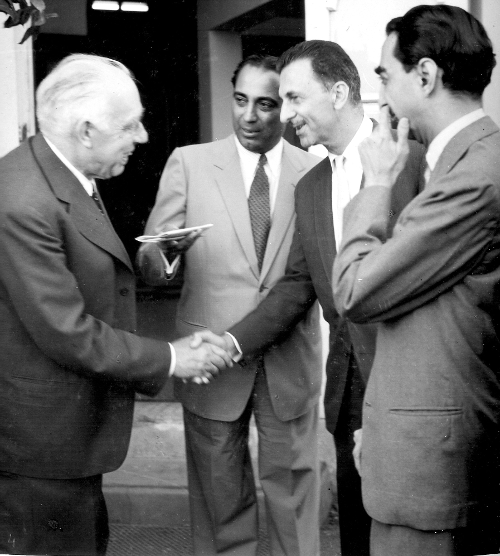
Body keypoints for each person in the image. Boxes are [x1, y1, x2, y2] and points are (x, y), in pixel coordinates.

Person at [0, 54, 232, 556]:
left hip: (66, 439)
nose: (144, 136)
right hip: (41, 451)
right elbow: (68, 332)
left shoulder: (61, 175)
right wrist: (173, 357)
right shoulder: (23, 199)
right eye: (130, 125)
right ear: (85, 131)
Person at [201, 40, 424, 556]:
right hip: (349, 394)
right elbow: (299, 285)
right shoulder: (311, 185)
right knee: (357, 537)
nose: (288, 114)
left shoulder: (413, 161)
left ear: (340, 92)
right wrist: (231, 344)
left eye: (296, 99)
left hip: (413, 386)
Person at [137, 54, 322, 556]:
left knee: (295, 500)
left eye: (265, 105)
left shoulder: (316, 170)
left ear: (285, 107)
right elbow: (149, 258)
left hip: (289, 359)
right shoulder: (189, 162)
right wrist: (164, 257)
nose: (249, 116)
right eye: (241, 101)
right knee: (220, 506)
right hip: (210, 357)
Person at [332, 5, 500, 556]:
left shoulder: (475, 172)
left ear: (425, 75)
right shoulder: (460, 161)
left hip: (430, 460)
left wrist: (375, 183)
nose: (377, 92)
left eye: (384, 74)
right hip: (419, 443)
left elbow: (357, 290)